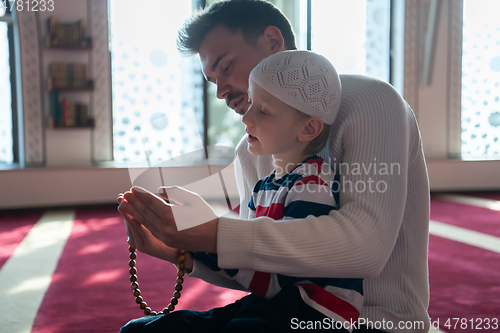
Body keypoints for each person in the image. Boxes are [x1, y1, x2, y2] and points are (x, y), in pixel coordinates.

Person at [118, 0, 431, 332]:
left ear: (272, 41)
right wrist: (183, 250)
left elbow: (367, 248)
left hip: (375, 322)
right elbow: (270, 269)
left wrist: (214, 233)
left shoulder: (371, 101)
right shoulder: (249, 150)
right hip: (275, 312)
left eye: (226, 67)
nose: (221, 91)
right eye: (213, 81)